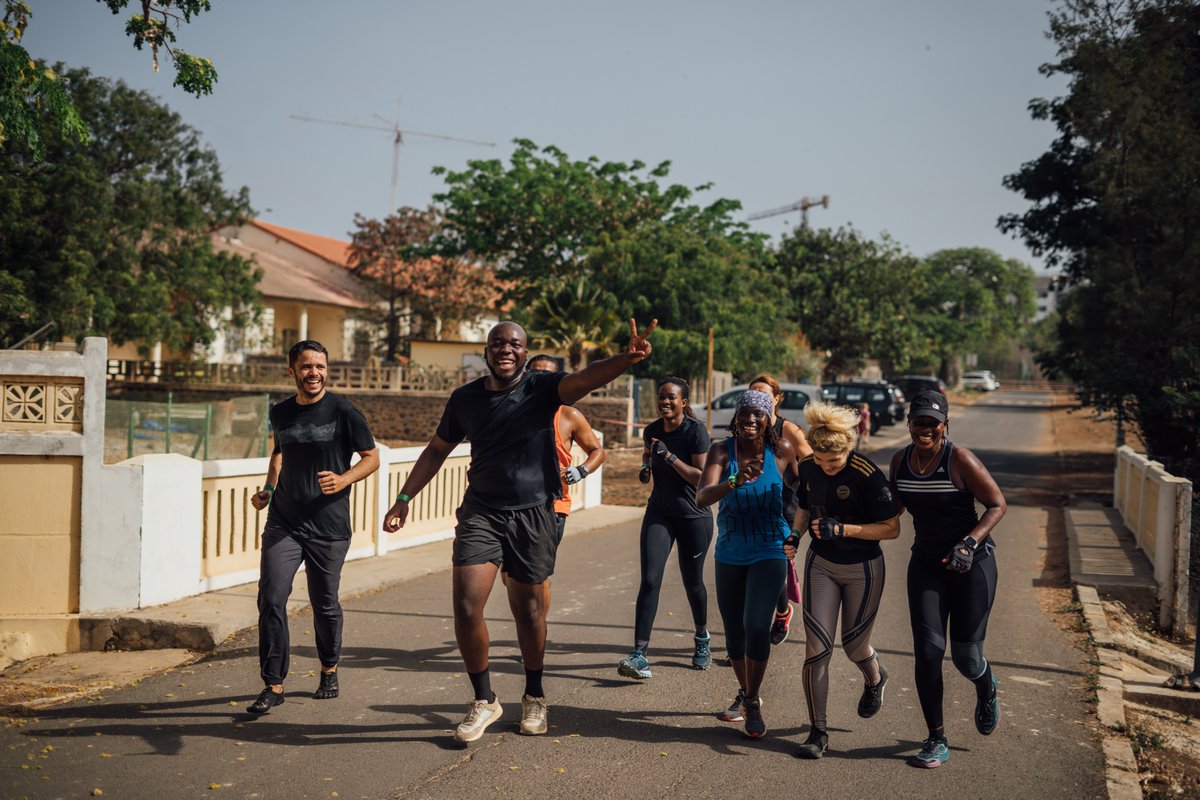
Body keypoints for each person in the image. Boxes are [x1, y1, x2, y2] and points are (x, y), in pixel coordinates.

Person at [382, 319, 656, 744]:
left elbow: (583, 380)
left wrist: (625, 358)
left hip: (534, 513)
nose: (505, 350)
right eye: (497, 343)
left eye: (515, 344)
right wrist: (404, 498)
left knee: (529, 612)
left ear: (525, 353)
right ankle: (484, 699)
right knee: (468, 606)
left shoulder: (542, 389)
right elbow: (438, 449)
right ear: (486, 351)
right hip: (481, 512)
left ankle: (534, 694)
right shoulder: (465, 399)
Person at [246, 340, 380, 715]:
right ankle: (273, 684)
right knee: (271, 597)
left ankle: (329, 667)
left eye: (320, 366)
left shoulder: (343, 411)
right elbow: (280, 452)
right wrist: (269, 490)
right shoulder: (281, 412)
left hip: (329, 525)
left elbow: (372, 457)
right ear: (292, 371)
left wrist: (343, 479)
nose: (314, 373)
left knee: (324, 604)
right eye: (306, 367)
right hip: (284, 521)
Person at [888, 390, 1007, 768]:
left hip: (971, 565)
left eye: (932, 422)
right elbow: (891, 508)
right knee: (927, 653)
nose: (925, 429)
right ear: (909, 424)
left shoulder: (960, 460)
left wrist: (969, 543)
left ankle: (986, 686)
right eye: (918, 421)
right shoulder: (899, 461)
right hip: (926, 564)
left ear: (945, 426)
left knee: (966, 660)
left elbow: (997, 504)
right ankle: (936, 738)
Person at [786, 399, 900, 759]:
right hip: (821, 564)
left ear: (848, 449)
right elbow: (805, 506)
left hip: (863, 569)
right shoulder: (808, 466)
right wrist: (795, 535)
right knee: (817, 650)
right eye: (820, 461)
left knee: (853, 647)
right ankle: (817, 732)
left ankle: (875, 677)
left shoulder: (867, 474)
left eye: (833, 462)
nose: (826, 468)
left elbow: (892, 528)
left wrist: (844, 529)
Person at [696, 389, 798, 739]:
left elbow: (809, 491)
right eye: (745, 413)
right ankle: (748, 693)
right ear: (736, 417)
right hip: (730, 551)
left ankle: (750, 700)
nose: (751, 419)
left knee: (756, 625)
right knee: (734, 633)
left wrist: (799, 530)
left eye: (759, 414)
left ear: (769, 419)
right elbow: (702, 496)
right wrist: (734, 480)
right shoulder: (722, 451)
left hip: (770, 546)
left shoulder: (781, 451)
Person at [617, 376, 713, 680]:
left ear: (683, 402)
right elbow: (649, 454)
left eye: (672, 397)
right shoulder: (652, 430)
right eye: (662, 397)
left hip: (693, 515)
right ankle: (639, 654)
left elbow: (702, 478)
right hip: (659, 512)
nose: (665, 402)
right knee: (649, 579)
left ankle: (702, 639)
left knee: (692, 582)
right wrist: (647, 467)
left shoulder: (695, 432)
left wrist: (669, 457)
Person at [523, 354, 607, 605]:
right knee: (511, 575)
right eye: (535, 374)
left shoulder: (569, 415)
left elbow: (598, 451)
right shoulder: (511, 408)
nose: (541, 380)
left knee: (539, 575)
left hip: (552, 506)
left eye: (548, 375)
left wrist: (581, 471)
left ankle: (537, 631)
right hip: (512, 503)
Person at [746, 374, 813, 646]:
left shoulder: (789, 431)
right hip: (754, 506)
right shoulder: (747, 427)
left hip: (785, 506)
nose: (759, 400)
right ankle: (746, 638)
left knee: (774, 565)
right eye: (753, 394)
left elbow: (811, 463)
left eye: (764, 394)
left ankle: (782, 613)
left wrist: (811, 496)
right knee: (751, 566)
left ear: (776, 398)